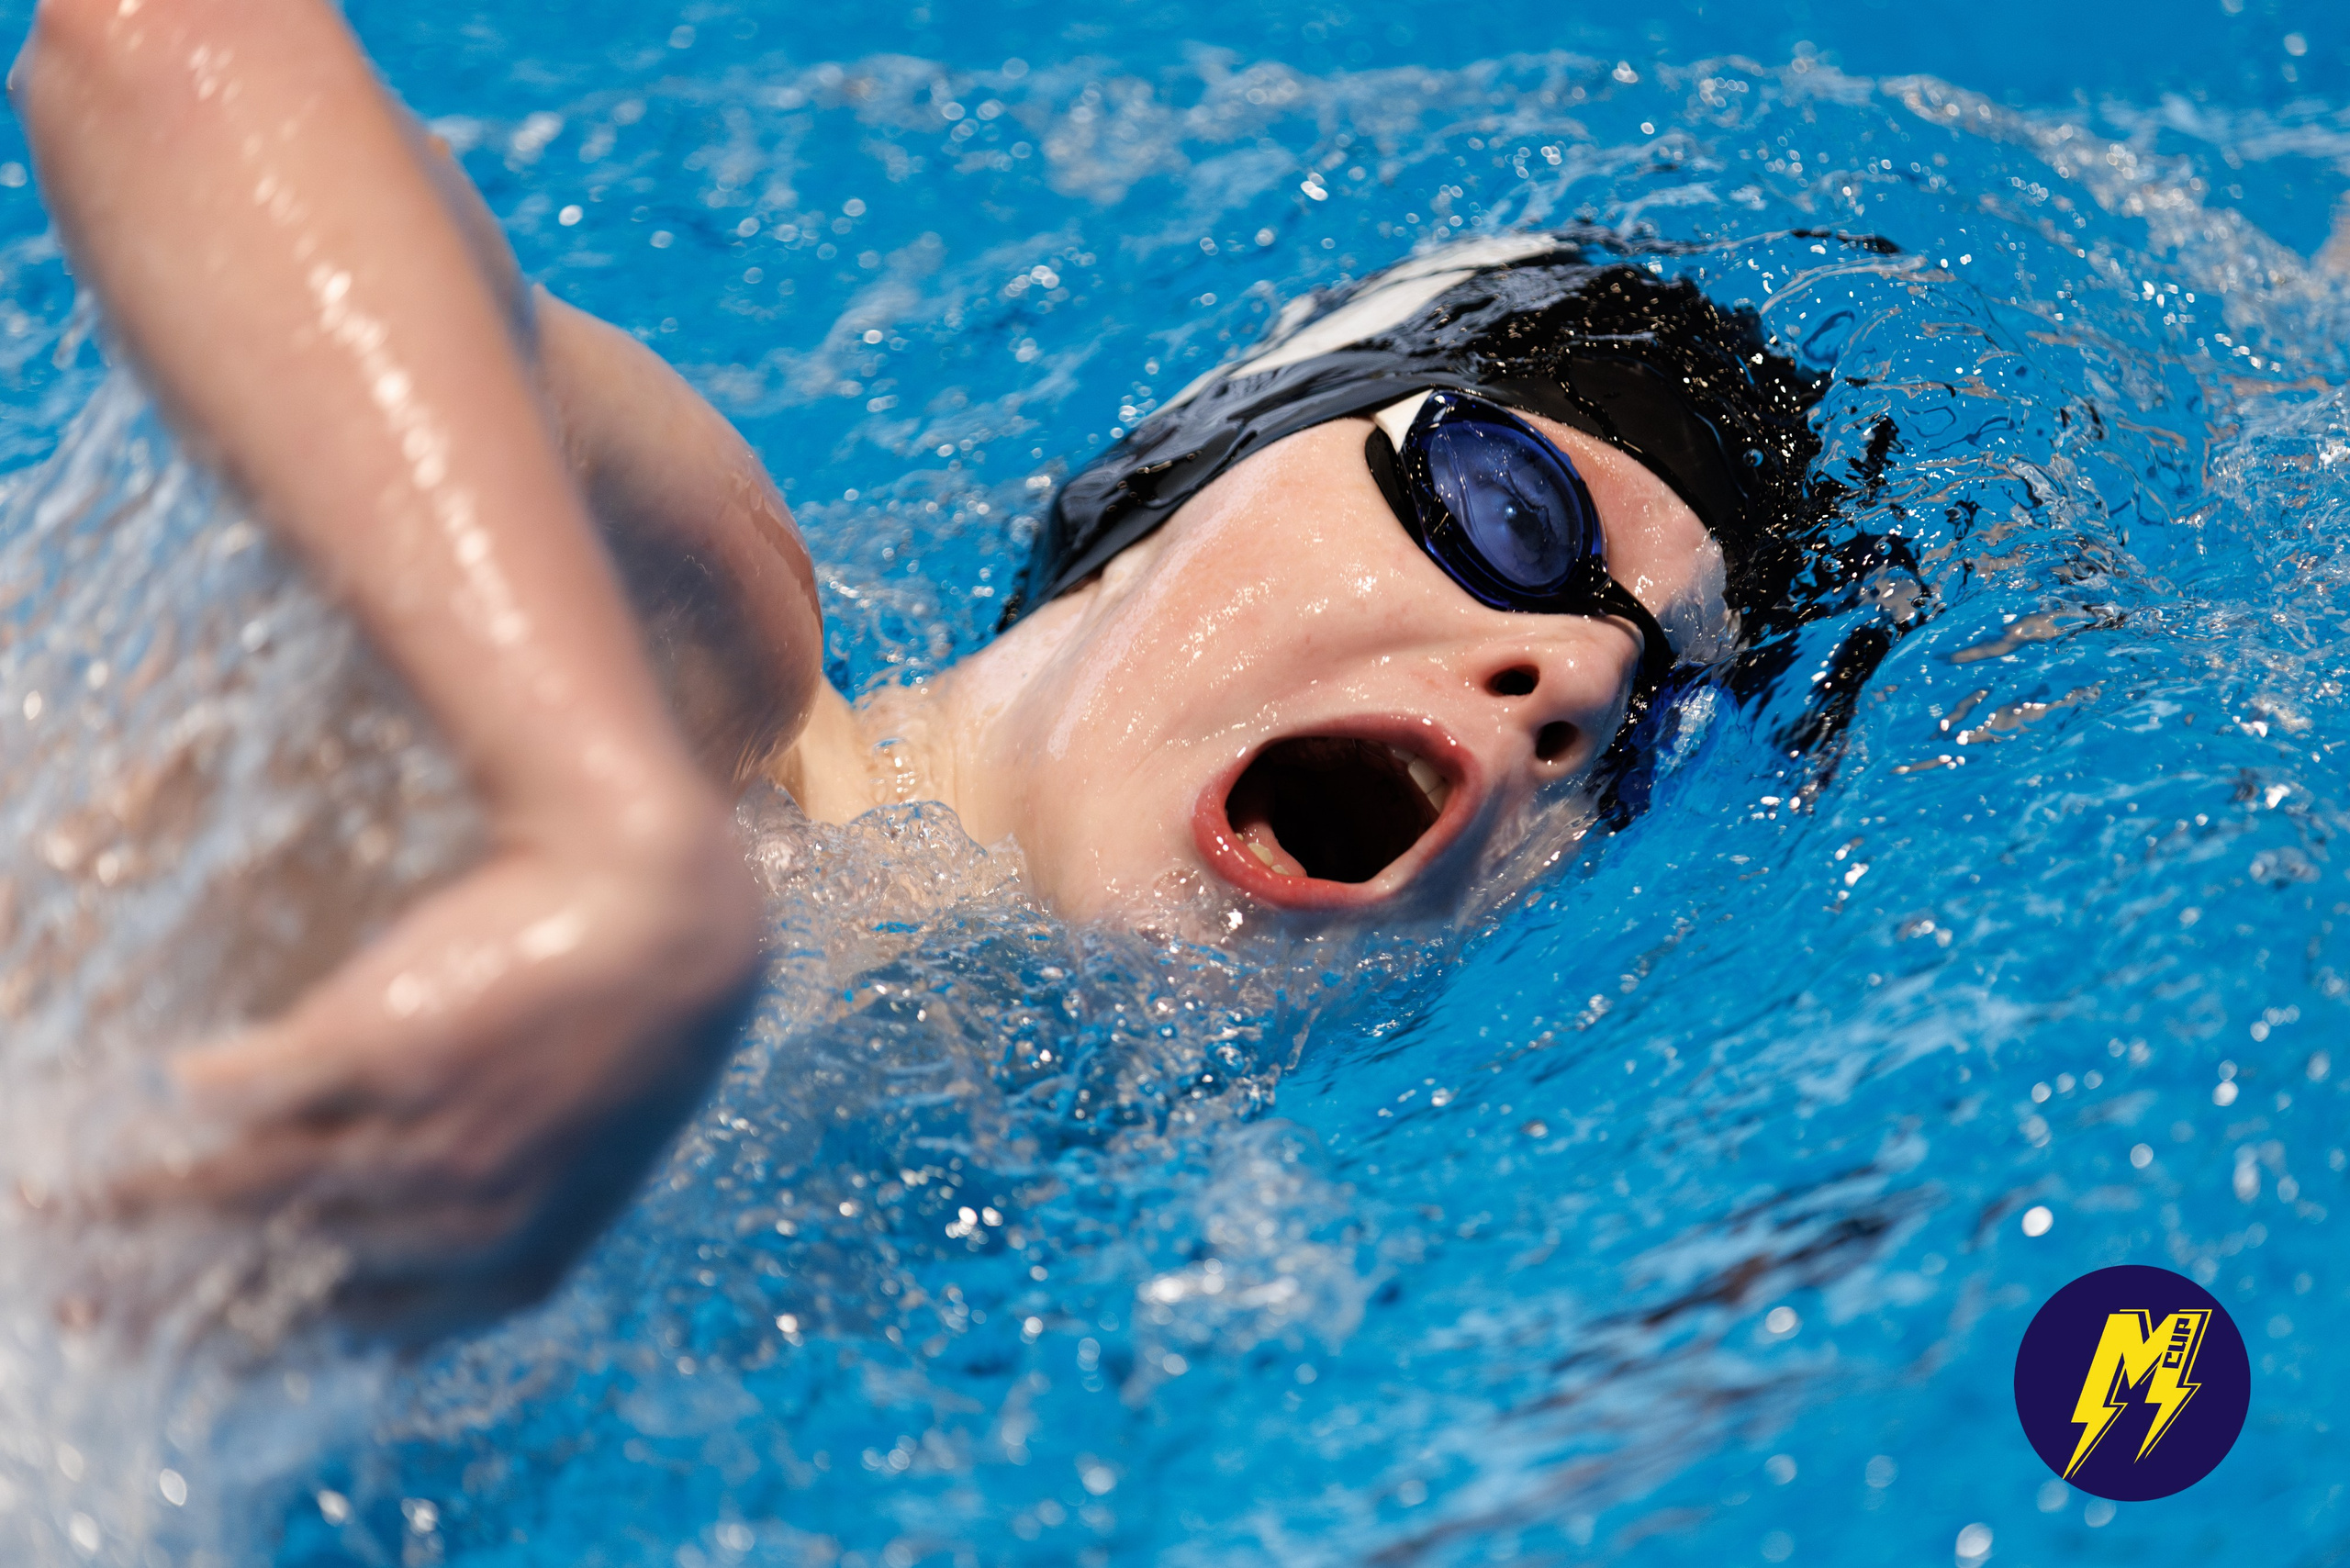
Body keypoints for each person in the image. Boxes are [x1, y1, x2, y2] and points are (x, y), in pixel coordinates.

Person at [9, 0, 1832, 1331]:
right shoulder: (704, 675)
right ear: (1184, 482)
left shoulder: (986, 1256)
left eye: (1649, 736)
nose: (1569, 683)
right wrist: (598, 831)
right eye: (1510, 509)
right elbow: (167, 49)